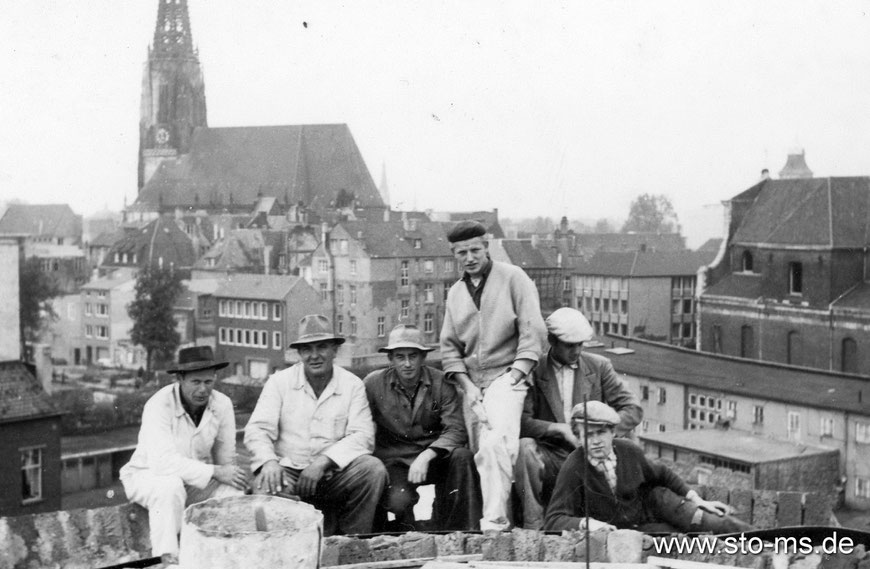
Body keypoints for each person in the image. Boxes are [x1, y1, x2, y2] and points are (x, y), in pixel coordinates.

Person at [440, 219, 548, 531]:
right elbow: (449, 347)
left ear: (486, 247)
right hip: (472, 383)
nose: (469, 257)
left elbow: (533, 329)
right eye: (462, 252)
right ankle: (515, 524)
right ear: (455, 255)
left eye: (475, 250)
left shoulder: (514, 278)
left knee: (495, 445)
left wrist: (516, 374)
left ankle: (495, 523)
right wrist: (466, 385)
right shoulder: (456, 293)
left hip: (507, 374)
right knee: (488, 453)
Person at [244, 314, 387, 536]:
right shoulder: (279, 382)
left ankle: (351, 543)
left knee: (372, 470)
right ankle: (287, 552)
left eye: (322, 347)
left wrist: (322, 463)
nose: (314, 356)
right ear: (299, 353)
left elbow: (363, 435)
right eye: (306, 349)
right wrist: (269, 462)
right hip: (288, 472)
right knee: (263, 488)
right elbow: (257, 430)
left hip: (334, 473)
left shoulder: (352, 385)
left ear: (334, 350)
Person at [515, 307, 643, 529]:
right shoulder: (535, 370)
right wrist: (559, 429)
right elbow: (522, 422)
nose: (576, 351)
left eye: (580, 345)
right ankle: (533, 527)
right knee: (524, 448)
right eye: (569, 345)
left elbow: (632, 409)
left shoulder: (599, 366)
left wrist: (602, 431)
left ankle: (621, 524)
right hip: (552, 453)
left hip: (591, 451)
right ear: (552, 341)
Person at [120, 346, 248, 565]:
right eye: (195, 382)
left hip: (192, 480)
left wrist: (235, 480)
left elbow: (226, 460)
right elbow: (163, 463)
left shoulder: (222, 404)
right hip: (148, 475)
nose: (202, 390)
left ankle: (218, 559)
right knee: (169, 488)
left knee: (234, 495)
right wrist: (216, 471)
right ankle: (165, 561)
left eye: (208, 382)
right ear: (179, 378)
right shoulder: (159, 404)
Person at [544, 401, 753, 534]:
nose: (596, 440)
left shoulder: (627, 450)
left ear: (612, 432)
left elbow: (663, 473)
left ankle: (771, 539)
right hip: (632, 529)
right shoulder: (573, 466)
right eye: (588, 434)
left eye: (601, 433)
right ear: (579, 437)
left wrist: (698, 499)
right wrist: (588, 524)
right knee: (686, 541)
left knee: (709, 522)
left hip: (657, 504)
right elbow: (554, 519)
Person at [364, 324, 482, 531]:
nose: (407, 364)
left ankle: (465, 531)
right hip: (396, 461)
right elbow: (360, 423)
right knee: (397, 501)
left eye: (413, 356)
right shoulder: (373, 384)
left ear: (423, 357)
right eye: (400, 357)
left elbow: (455, 429)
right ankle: (399, 534)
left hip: (434, 457)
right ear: (390, 359)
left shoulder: (440, 383)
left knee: (462, 457)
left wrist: (427, 455)